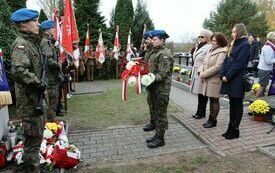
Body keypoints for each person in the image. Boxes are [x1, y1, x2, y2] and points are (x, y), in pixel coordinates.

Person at [10, 8, 45, 172]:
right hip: (29, 104)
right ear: (23, 24)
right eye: (35, 21)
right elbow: (18, 71)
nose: (38, 24)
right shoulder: (21, 44)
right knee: (32, 143)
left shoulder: (31, 43)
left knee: (35, 142)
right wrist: (38, 82)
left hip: (35, 101)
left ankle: (32, 168)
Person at [220, 23, 251, 140]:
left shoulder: (245, 44)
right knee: (232, 104)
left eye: (234, 32)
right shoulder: (234, 43)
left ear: (240, 32)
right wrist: (222, 73)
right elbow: (226, 59)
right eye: (232, 31)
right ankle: (230, 128)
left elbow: (239, 64)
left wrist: (227, 76)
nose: (232, 34)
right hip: (231, 79)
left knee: (237, 104)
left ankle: (235, 130)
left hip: (237, 79)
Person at [144, 30, 174, 148]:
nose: (152, 41)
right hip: (153, 87)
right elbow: (148, 63)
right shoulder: (154, 52)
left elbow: (163, 73)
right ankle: (157, 134)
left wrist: (148, 79)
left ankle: (160, 139)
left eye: (155, 39)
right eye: (152, 39)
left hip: (161, 89)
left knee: (161, 113)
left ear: (162, 40)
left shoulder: (165, 54)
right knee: (154, 110)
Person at [198, 32, 228, 128]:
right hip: (207, 79)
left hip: (215, 80)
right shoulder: (210, 50)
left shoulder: (223, 51)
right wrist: (200, 71)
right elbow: (204, 62)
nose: (213, 42)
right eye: (212, 40)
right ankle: (210, 119)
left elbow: (218, 67)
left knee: (214, 100)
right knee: (211, 99)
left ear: (220, 41)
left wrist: (204, 74)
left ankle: (213, 120)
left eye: (215, 41)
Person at [40, 20, 62, 121]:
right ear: (48, 30)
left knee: (54, 102)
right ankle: (49, 125)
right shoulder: (45, 42)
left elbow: (53, 56)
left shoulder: (50, 42)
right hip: (50, 78)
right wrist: (58, 65)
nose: (54, 30)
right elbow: (48, 60)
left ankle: (51, 122)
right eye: (52, 28)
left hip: (53, 77)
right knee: (51, 103)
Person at [190, 29, 213, 119]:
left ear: (207, 38)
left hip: (202, 71)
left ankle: (201, 112)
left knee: (202, 93)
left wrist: (204, 72)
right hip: (196, 71)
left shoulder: (209, 47)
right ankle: (199, 112)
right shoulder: (198, 46)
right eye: (199, 36)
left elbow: (207, 61)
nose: (200, 38)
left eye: (202, 36)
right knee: (199, 93)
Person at [142, 31, 156, 132]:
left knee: (157, 106)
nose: (146, 41)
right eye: (146, 39)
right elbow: (145, 62)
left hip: (156, 82)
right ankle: (152, 123)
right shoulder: (149, 50)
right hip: (150, 82)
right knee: (151, 103)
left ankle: (158, 129)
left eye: (148, 39)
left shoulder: (157, 51)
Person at [256, 31, 275, 97]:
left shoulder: (268, 45)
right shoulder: (269, 48)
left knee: (263, 85)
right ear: (273, 39)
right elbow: (268, 61)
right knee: (263, 86)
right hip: (264, 69)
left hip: (264, 68)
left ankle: (260, 99)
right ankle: (255, 101)